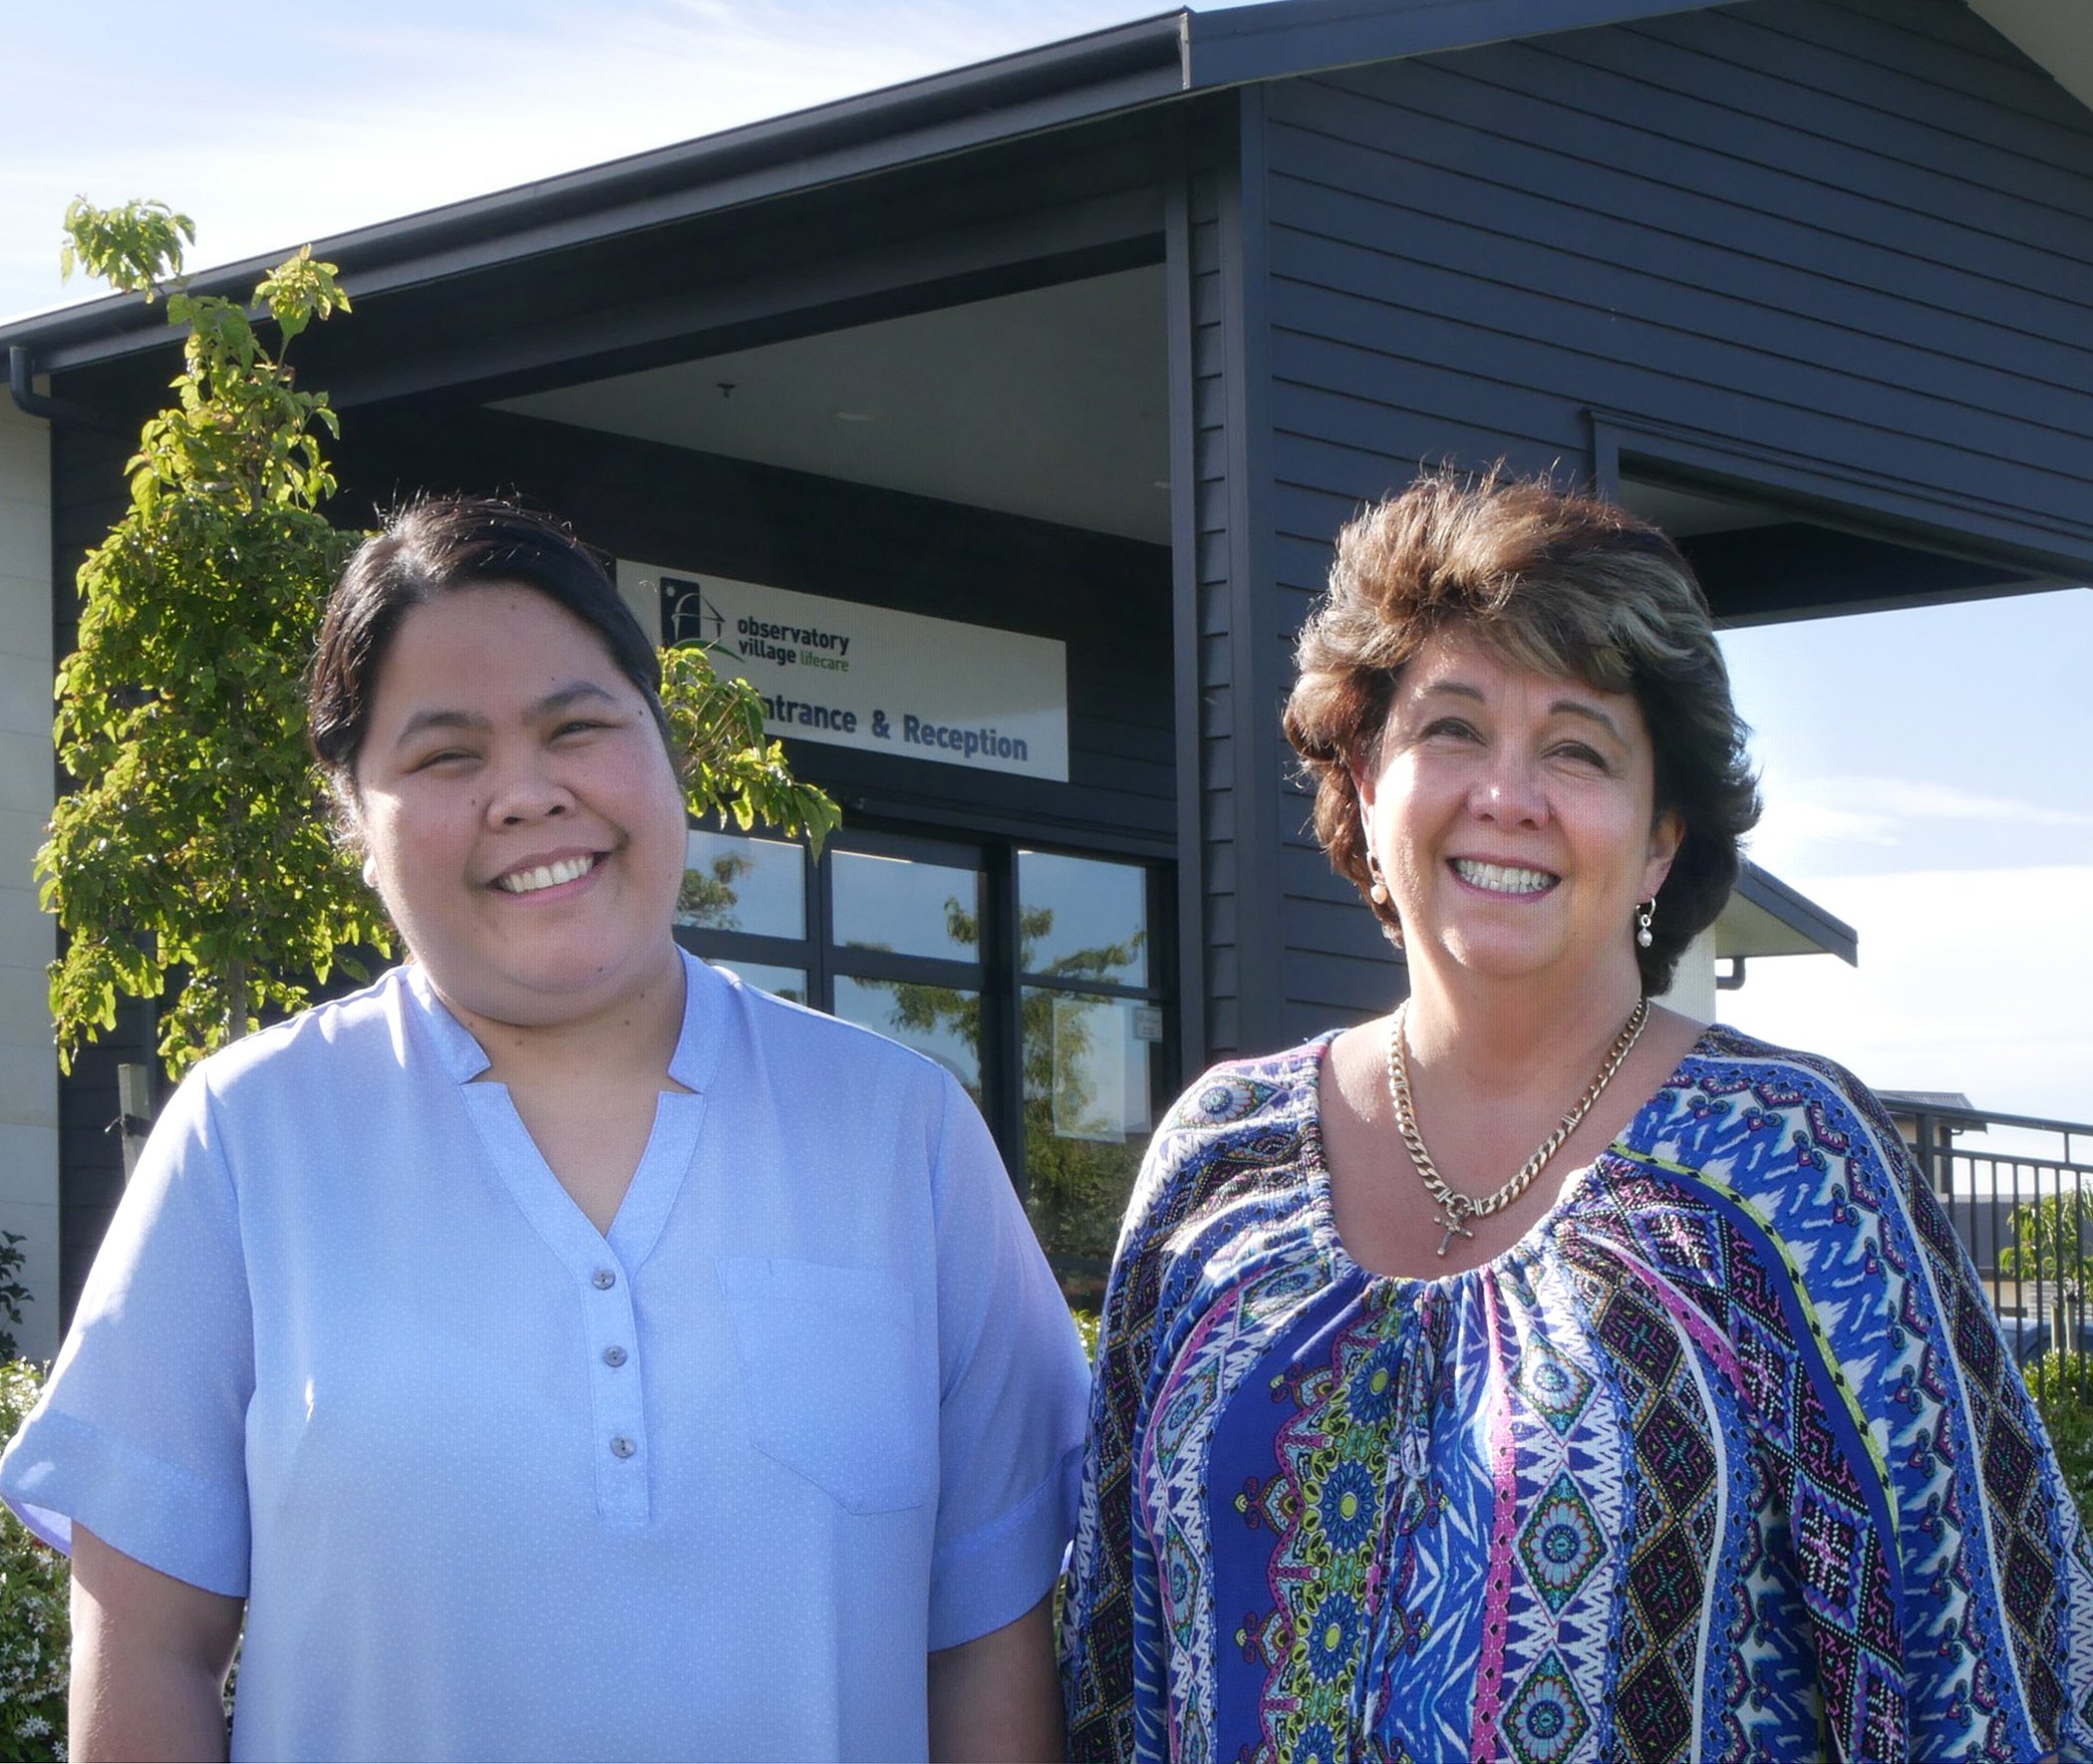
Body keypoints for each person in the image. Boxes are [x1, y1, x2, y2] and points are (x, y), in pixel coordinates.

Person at [2, 497, 1088, 1762]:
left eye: (578, 726)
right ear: (355, 820)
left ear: (666, 749)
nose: (526, 794)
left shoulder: (906, 1140)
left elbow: (987, 1653)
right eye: (446, 756)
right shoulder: (248, 1144)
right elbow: (147, 1655)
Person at [1058, 468, 2093, 1763]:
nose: (1509, 794)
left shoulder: (1793, 1170)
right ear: (1364, 777)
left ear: (1661, 837)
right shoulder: (1220, 1158)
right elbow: (1106, 1659)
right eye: (1451, 727)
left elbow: (1997, 1690)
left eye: (1577, 745)